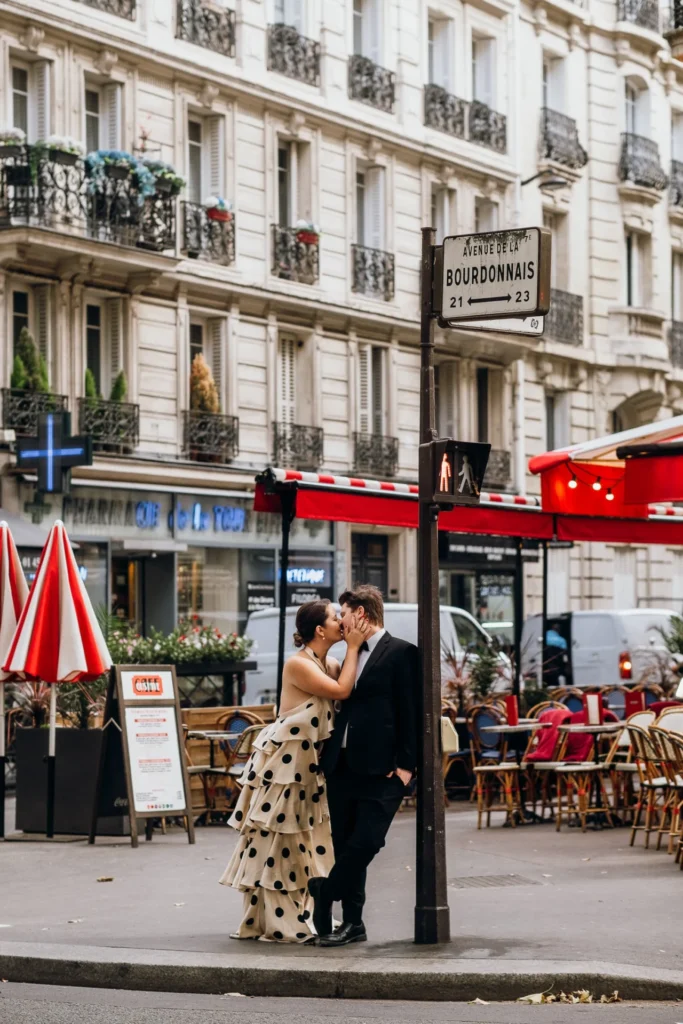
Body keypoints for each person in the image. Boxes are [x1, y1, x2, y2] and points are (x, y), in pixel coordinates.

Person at [220, 599, 370, 942]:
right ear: (320, 630)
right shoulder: (298, 665)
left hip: (309, 768)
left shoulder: (327, 662)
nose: (341, 622)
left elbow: (349, 682)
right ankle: (277, 918)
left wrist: (355, 649)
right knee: (278, 841)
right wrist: (355, 646)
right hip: (285, 769)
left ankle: (299, 911)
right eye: (336, 617)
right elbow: (343, 690)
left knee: (306, 841)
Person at [309, 584, 419, 947]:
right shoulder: (344, 656)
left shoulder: (402, 652)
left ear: (363, 615)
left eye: (344, 614)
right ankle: (353, 923)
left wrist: (406, 767)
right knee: (344, 844)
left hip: (384, 769)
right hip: (341, 766)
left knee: (368, 841)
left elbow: (411, 711)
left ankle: (325, 891)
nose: (340, 621)